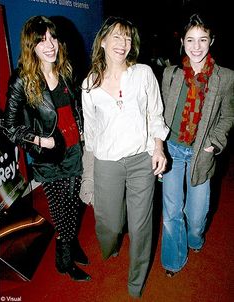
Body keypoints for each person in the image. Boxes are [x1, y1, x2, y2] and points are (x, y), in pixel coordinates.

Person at [81, 16, 169, 297]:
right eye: (117, 37)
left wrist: (158, 148)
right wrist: (90, 173)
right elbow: (91, 134)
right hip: (107, 162)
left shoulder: (143, 73)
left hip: (141, 160)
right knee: (109, 223)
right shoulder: (89, 84)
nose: (123, 43)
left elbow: (155, 114)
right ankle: (112, 244)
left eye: (128, 37)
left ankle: (136, 282)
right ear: (103, 41)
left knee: (142, 224)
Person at [1, 16, 91, 281]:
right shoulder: (22, 79)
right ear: (32, 46)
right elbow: (9, 125)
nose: (50, 45)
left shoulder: (65, 69)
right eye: (42, 41)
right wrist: (40, 140)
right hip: (49, 156)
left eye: (52, 38)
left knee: (73, 203)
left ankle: (71, 244)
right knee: (61, 209)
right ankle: (63, 260)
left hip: (74, 148)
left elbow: (75, 105)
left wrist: (82, 128)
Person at [161, 13, 234, 277]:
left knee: (195, 216)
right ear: (182, 41)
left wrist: (214, 143)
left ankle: (195, 239)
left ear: (211, 40)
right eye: (190, 39)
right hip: (173, 149)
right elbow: (159, 114)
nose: (196, 46)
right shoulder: (171, 74)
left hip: (201, 153)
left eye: (203, 39)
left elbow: (228, 116)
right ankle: (173, 261)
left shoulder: (225, 78)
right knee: (171, 211)